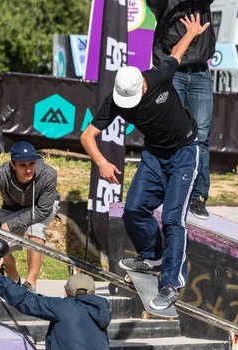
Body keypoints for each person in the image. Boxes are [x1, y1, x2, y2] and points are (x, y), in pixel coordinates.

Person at [80, 14, 209, 311]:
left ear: (141, 86)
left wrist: (191, 32)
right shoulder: (115, 99)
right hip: (154, 155)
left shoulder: (158, 76)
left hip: (186, 153)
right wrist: (101, 162)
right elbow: (87, 136)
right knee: (134, 209)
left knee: (173, 218)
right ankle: (152, 255)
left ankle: (171, 282)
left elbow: (176, 54)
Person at [147, 0, 215, 220]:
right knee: (172, 132)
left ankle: (198, 196)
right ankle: (169, 189)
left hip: (200, 72)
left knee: (201, 136)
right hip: (172, 71)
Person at [0, 142, 59, 293]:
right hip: (13, 207)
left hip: (41, 207)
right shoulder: (0, 173)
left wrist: (10, 224)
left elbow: (42, 211)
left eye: (32, 164)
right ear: (13, 165)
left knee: (36, 231)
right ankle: (13, 280)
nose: (28, 169)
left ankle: (30, 284)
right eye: (23, 165)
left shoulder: (48, 174)